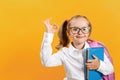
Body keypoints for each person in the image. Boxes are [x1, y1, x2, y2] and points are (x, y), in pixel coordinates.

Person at [40, 15, 115, 80]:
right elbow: (47, 62)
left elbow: (110, 69)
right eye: (75, 29)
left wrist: (99, 65)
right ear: (69, 33)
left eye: (84, 29)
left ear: (89, 32)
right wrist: (48, 35)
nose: (80, 32)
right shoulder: (65, 53)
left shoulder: (95, 49)